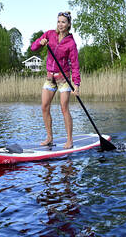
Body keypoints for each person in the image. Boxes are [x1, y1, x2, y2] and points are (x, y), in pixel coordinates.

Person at [30, 11, 80, 149]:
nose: (60, 24)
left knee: (64, 108)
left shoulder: (71, 43)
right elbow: (33, 48)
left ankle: (70, 141)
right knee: (44, 107)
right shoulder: (50, 34)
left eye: (63, 22)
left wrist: (76, 84)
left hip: (63, 78)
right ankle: (49, 138)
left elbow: (75, 65)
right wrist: (40, 42)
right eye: (58, 21)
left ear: (69, 24)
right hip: (50, 77)